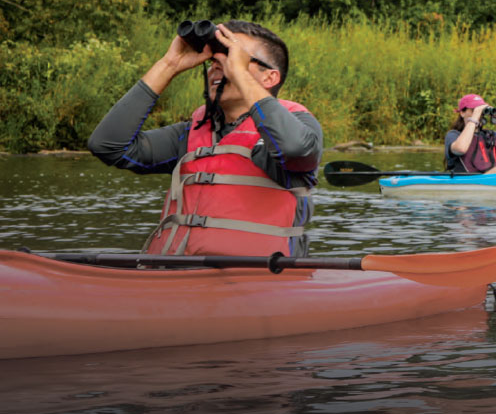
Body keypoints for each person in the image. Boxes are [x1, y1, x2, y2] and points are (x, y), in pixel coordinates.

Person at [88, 20, 323, 256]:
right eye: (214, 60)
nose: (218, 66)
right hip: (181, 278)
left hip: (260, 282)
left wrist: (239, 73)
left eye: (232, 56)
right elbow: (108, 146)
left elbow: (293, 148)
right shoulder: (191, 134)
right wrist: (169, 65)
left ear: (270, 77)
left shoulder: (298, 126)